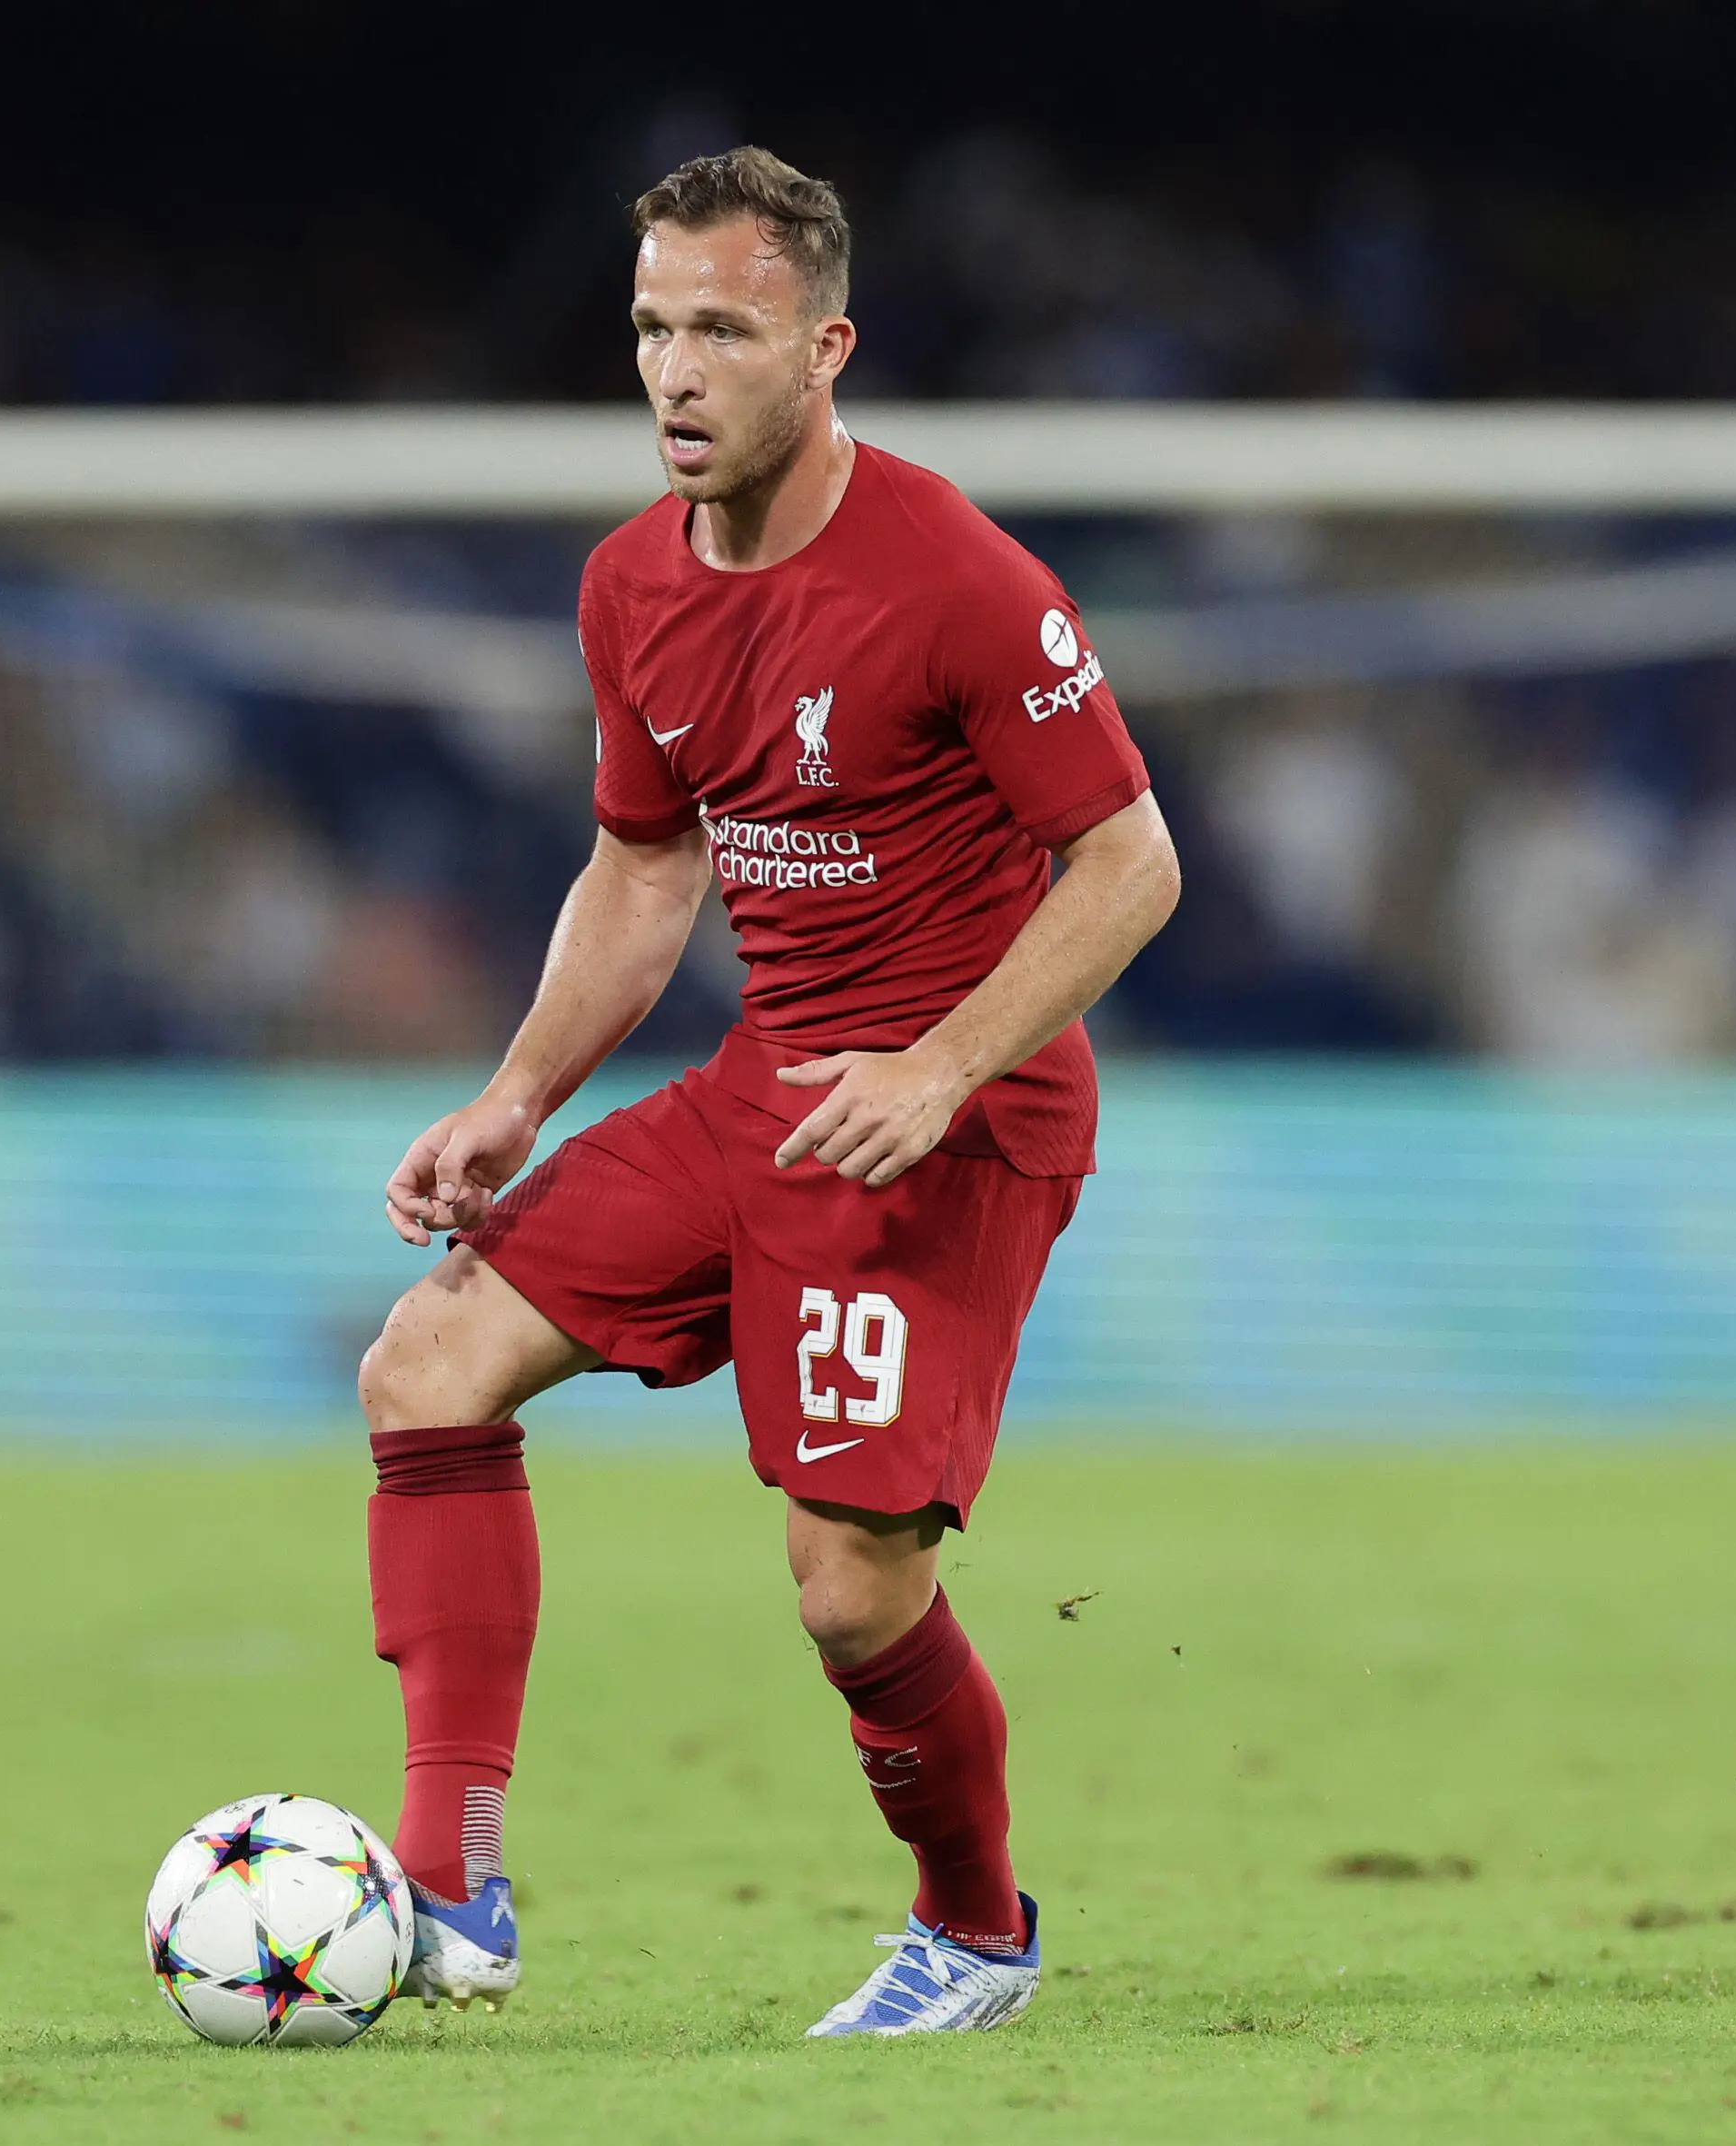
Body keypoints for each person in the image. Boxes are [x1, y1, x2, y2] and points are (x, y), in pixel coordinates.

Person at [358, 145, 1180, 2037]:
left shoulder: (957, 577)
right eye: (652, 327)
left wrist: (943, 1062)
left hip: (954, 1120)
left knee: (846, 1590)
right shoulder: (627, 584)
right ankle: (449, 1881)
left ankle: (974, 1929)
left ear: (825, 349)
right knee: (426, 1362)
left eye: (722, 329)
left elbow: (1131, 861)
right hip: (763, 1091)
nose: (675, 369)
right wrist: (517, 1094)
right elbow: (644, 867)